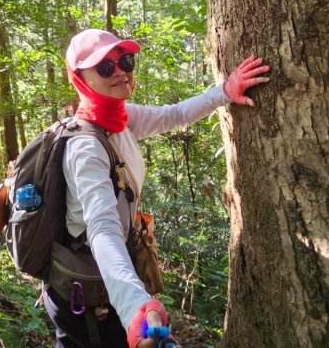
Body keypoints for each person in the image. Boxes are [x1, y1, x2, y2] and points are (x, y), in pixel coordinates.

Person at [46, 28, 269, 348]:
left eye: (125, 61)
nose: (121, 71)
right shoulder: (85, 147)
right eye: (105, 67)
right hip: (85, 296)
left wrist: (224, 91)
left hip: (106, 283)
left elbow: (174, 114)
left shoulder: (119, 118)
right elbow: (103, 229)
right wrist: (136, 307)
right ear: (81, 79)